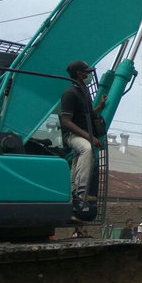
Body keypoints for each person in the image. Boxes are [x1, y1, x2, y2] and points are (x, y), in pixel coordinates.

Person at [59, 60, 107, 210]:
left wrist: (100, 105)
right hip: (72, 136)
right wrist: (90, 137)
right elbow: (66, 122)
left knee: (77, 161)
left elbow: (89, 114)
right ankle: (81, 195)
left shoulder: (83, 92)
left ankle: (71, 192)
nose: (89, 74)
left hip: (82, 135)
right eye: (86, 72)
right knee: (87, 148)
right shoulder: (70, 93)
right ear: (79, 74)